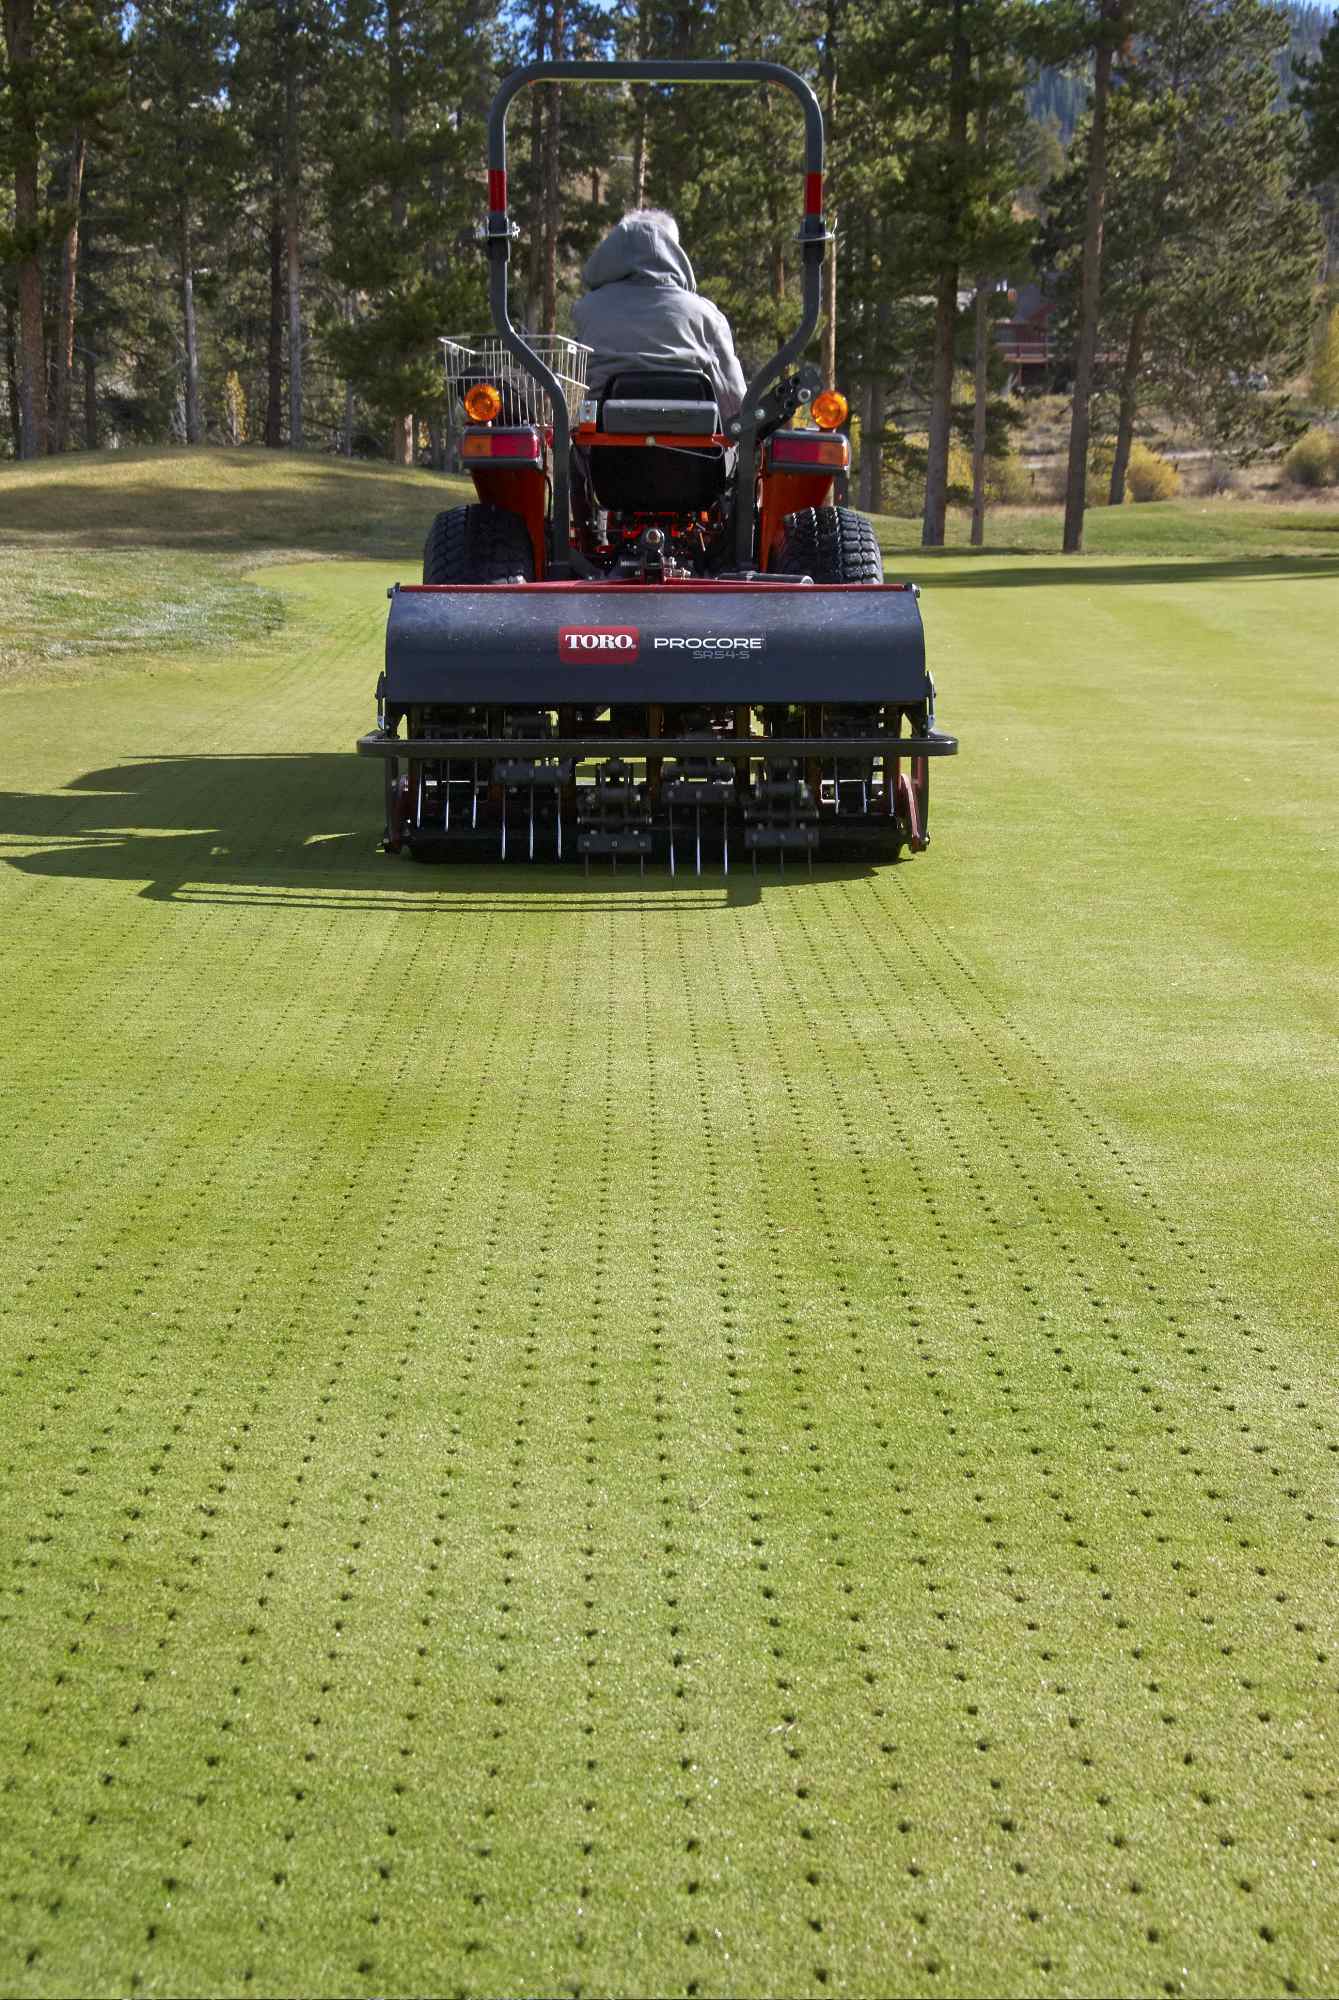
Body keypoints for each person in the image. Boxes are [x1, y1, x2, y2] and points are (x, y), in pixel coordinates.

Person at [572, 209, 748, 424]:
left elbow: (573, 391)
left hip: (602, 453)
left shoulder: (586, 311)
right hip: (698, 456)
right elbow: (736, 406)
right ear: (675, 252)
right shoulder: (706, 315)